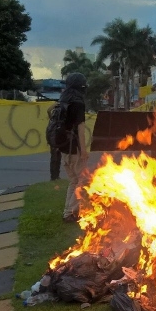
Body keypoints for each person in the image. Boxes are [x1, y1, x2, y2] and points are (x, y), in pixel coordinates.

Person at [59, 73, 90, 223]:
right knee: (82, 180)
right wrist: (83, 150)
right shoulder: (78, 103)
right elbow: (81, 129)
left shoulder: (62, 100)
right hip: (74, 148)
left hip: (63, 147)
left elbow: (50, 111)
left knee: (73, 180)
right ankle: (71, 211)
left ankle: (69, 212)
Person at [46, 103, 62, 181]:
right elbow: (48, 110)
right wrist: (56, 104)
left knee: (58, 158)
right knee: (55, 158)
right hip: (54, 141)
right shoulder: (53, 121)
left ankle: (56, 176)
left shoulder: (57, 122)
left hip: (57, 141)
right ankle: (53, 177)